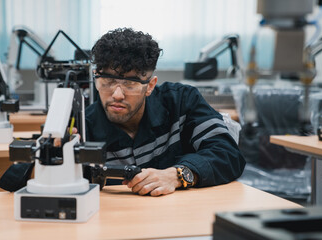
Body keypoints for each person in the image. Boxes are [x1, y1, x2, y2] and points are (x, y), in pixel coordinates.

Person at [85, 28, 245, 196]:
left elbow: (228, 154)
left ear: (150, 86)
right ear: (96, 78)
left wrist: (177, 175)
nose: (117, 95)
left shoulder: (182, 102)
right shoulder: (83, 124)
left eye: (130, 84)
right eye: (108, 81)